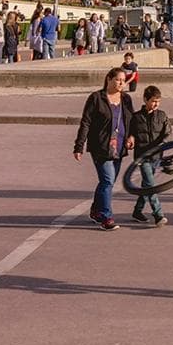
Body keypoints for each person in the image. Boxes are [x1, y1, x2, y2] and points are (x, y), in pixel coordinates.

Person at [73, 67, 135, 231]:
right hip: (101, 146)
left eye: (123, 80)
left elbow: (131, 121)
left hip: (120, 146)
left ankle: (96, 210)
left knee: (108, 181)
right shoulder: (96, 98)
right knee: (107, 181)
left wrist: (131, 136)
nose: (121, 83)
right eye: (118, 79)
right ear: (109, 79)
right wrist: (79, 146)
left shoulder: (126, 99)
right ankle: (106, 217)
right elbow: (85, 122)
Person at [129, 85, 170, 225]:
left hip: (157, 156)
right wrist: (131, 138)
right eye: (153, 101)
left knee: (146, 184)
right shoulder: (136, 117)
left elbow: (168, 132)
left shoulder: (162, 115)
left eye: (158, 101)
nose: (156, 104)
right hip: (142, 156)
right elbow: (131, 133)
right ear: (145, 100)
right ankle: (158, 214)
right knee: (151, 184)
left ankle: (137, 211)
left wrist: (163, 142)